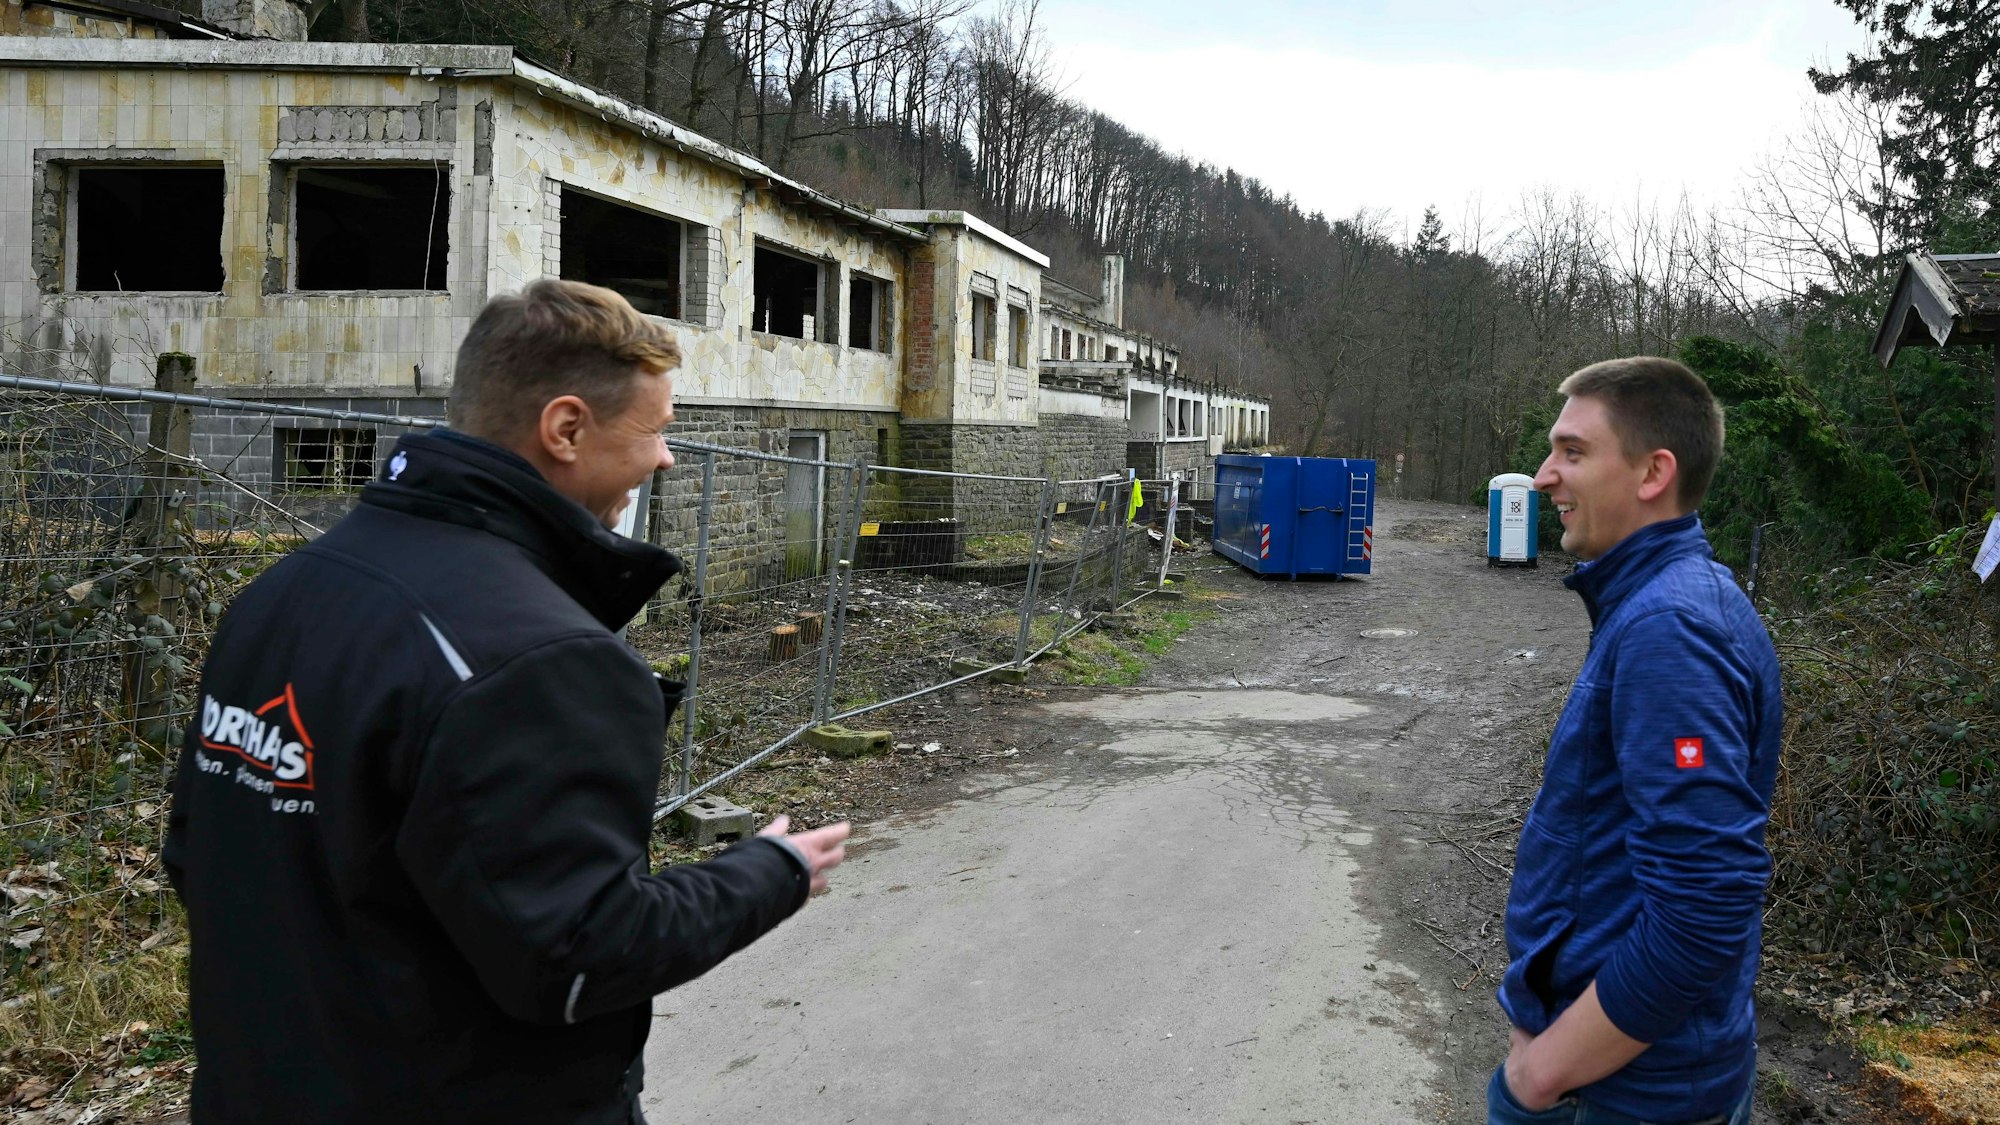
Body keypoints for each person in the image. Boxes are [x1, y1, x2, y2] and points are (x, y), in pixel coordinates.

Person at [163, 279, 849, 1124]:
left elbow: (200, 854)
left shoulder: (279, 597)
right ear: (566, 428)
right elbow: (580, 957)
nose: (665, 458)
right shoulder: (539, 660)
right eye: (658, 430)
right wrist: (768, 873)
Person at [1491, 357, 1780, 1125]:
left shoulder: (1670, 628)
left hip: (1632, 1096)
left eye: (1573, 452)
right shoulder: (1663, 602)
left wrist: (1539, 1075)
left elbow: (1704, 905)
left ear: (1654, 472)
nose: (1544, 475)